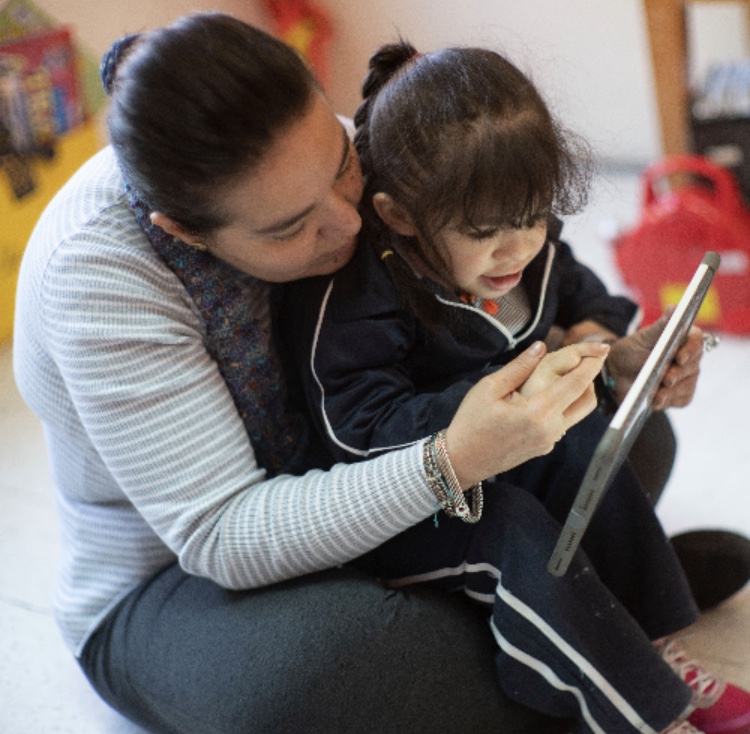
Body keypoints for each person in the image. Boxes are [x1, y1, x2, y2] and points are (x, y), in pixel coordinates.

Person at [12, 13, 621, 734]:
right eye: (289, 228)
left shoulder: (313, 146)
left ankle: (585, 627)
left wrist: (594, 344)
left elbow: (498, 258)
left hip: (361, 466)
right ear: (185, 232)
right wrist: (451, 460)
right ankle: (594, 629)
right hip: (174, 581)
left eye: (343, 165)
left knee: (610, 439)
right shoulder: (99, 278)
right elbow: (220, 535)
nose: (349, 221)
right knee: (333, 660)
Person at [277, 42, 750, 734]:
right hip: (409, 502)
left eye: (532, 218)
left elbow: (581, 292)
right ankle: (640, 700)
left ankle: (642, 634)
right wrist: (487, 411)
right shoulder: (361, 294)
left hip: (510, 455)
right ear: (401, 216)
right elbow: (358, 426)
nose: (517, 250)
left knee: (600, 437)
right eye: (485, 233)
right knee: (521, 528)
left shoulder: (525, 232)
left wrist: (614, 354)